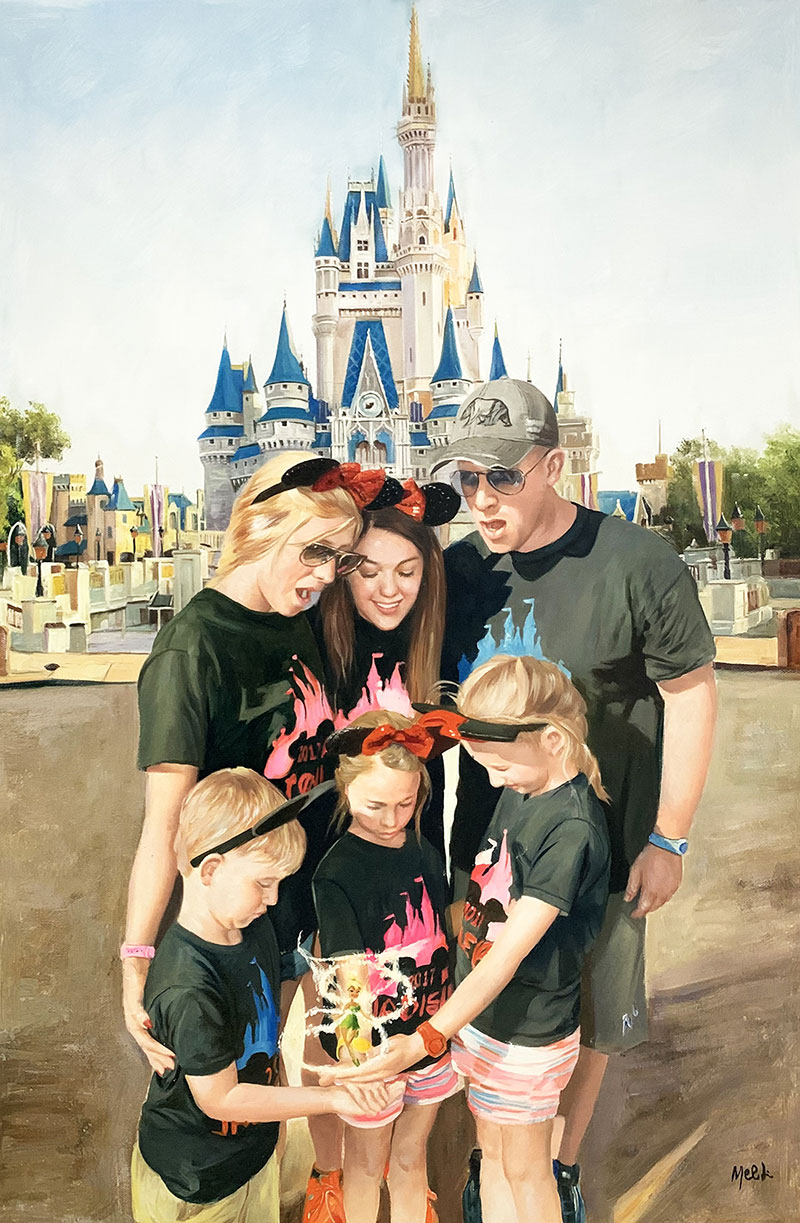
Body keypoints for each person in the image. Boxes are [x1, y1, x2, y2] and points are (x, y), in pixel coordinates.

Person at [434, 378, 718, 1221]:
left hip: (607, 847)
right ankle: (498, 1163)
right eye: (467, 480)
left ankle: (556, 1166)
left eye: (503, 477)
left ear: (553, 466)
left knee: (590, 1014)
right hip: (489, 850)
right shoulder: (457, 572)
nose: (482, 499)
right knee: (499, 1007)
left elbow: (692, 695)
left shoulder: (638, 563)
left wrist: (669, 838)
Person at [123, 453, 402, 1223]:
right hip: (249, 917)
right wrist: (136, 958)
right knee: (245, 1074)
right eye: (313, 551)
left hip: (316, 906)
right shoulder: (191, 651)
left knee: (332, 1054)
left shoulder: (301, 620)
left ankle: (329, 1192)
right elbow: (163, 827)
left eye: (338, 558)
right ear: (256, 525)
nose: (326, 575)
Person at [318, 655, 611, 1223]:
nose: (493, 781)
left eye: (498, 766)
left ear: (553, 740)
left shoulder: (571, 827)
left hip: (526, 1029)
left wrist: (426, 1038)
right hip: (485, 1022)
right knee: (495, 1158)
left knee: (526, 1171)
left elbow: (505, 957)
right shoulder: (525, 788)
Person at [131, 767, 402, 1223]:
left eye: (279, 884)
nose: (274, 899)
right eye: (263, 883)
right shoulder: (188, 986)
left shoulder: (253, 931)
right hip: (194, 1183)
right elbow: (220, 1099)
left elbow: (262, 1043)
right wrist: (332, 1099)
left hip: (248, 1162)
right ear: (210, 869)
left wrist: (338, 1074)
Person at [311, 710, 460, 1223]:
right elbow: (348, 976)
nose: (392, 819)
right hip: (369, 1052)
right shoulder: (336, 872)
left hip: (428, 1039)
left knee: (411, 1157)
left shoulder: (423, 850)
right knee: (365, 1165)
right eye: (375, 805)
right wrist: (359, 1064)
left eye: (405, 803)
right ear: (345, 790)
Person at [311, 477, 460, 858]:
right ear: (343, 572)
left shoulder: (443, 640)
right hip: (324, 862)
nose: (390, 590)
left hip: (415, 862)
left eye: (406, 572)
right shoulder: (310, 640)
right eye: (369, 573)